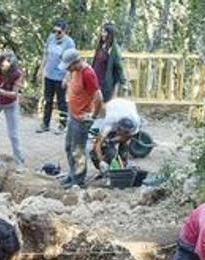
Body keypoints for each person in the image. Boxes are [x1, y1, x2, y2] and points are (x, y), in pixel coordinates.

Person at [60, 48, 101, 189]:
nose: (67, 69)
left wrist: (93, 115)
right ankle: (72, 174)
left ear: (75, 63)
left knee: (78, 150)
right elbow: (70, 78)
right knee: (68, 147)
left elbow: (98, 97)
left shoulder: (88, 74)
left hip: (82, 118)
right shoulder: (74, 71)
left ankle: (79, 180)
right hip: (73, 114)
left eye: (68, 66)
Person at [36, 19, 74, 134]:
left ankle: (62, 125)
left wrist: (66, 77)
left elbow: (70, 62)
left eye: (59, 32)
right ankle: (45, 124)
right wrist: (41, 69)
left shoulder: (69, 43)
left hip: (60, 76)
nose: (56, 34)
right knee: (48, 100)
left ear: (64, 32)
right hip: (49, 74)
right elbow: (46, 55)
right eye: (54, 31)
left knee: (61, 102)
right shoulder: (50, 38)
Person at [91, 97, 141, 172]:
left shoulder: (136, 122)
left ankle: (123, 165)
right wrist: (101, 161)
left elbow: (128, 137)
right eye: (121, 133)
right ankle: (105, 168)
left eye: (126, 133)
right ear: (117, 129)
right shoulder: (109, 123)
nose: (123, 135)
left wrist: (115, 140)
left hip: (128, 106)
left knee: (124, 144)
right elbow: (97, 144)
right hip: (112, 105)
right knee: (104, 146)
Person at [91, 22, 126, 102]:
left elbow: (119, 66)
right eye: (102, 32)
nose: (102, 34)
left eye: (104, 32)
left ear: (110, 34)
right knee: (94, 102)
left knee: (103, 103)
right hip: (95, 79)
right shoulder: (100, 46)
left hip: (104, 82)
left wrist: (123, 82)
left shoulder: (114, 49)